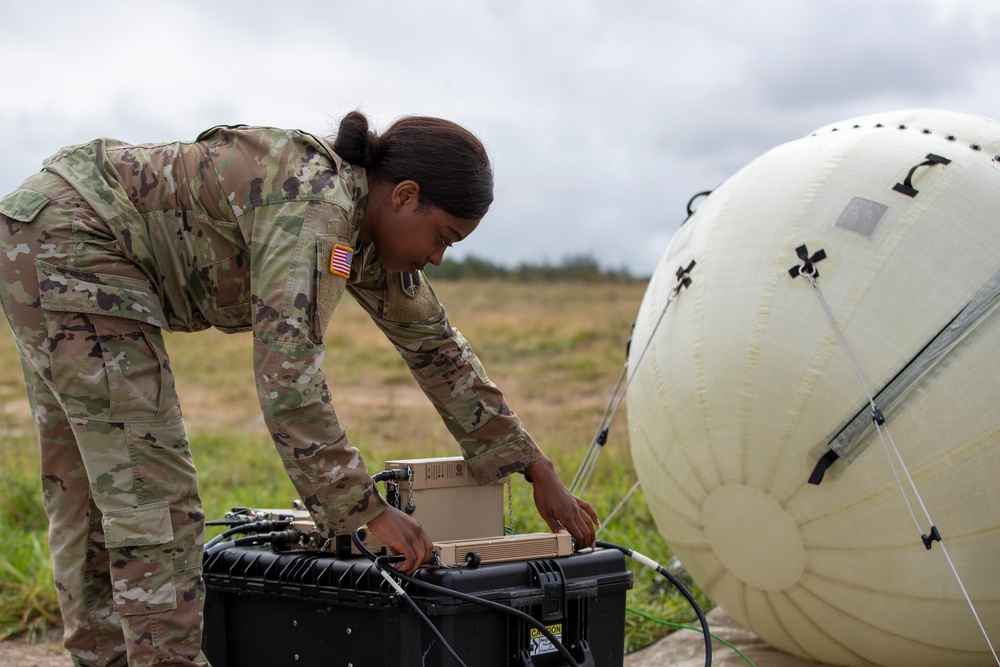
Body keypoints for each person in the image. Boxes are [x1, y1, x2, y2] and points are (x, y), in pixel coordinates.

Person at [0, 112, 599, 667]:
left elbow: (438, 351)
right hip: (74, 239)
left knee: (90, 483)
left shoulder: (360, 235)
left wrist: (531, 463)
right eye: (443, 236)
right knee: (146, 482)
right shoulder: (316, 213)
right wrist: (364, 510)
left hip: (43, 226)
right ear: (405, 196)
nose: (439, 257)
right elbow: (288, 381)